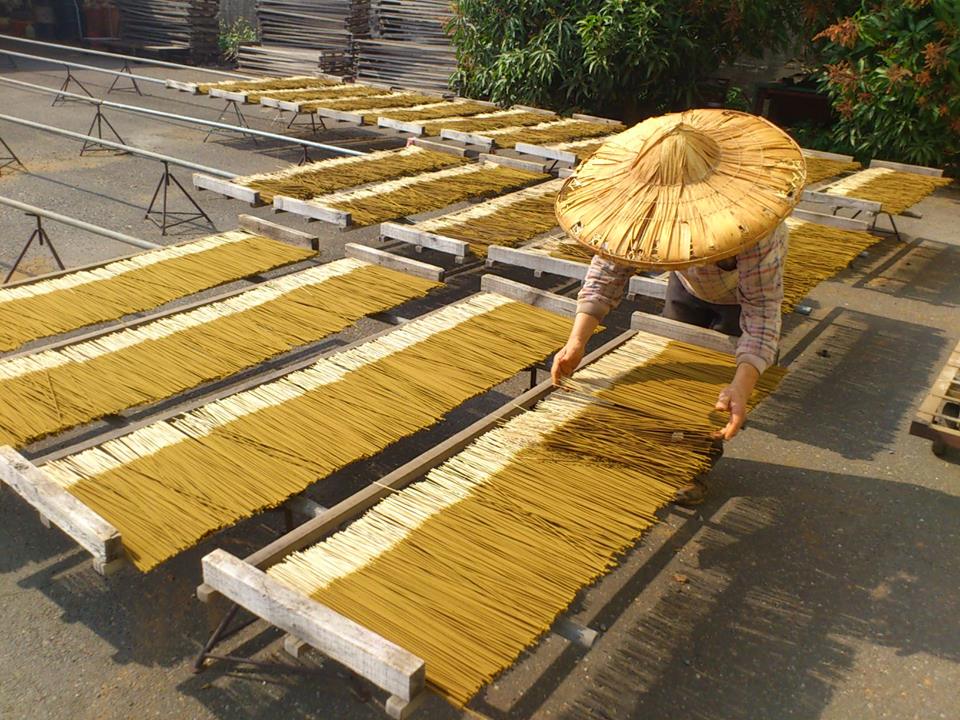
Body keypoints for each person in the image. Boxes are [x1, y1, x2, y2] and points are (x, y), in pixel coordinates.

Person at [550, 109, 806, 502]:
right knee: (675, 368)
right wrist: (577, 341)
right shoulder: (638, 211)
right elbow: (609, 270)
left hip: (738, 299)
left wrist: (741, 385)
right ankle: (664, 453)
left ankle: (695, 466)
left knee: (715, 391)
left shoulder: (756, 228)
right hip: (688, 287)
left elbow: (761, 310)